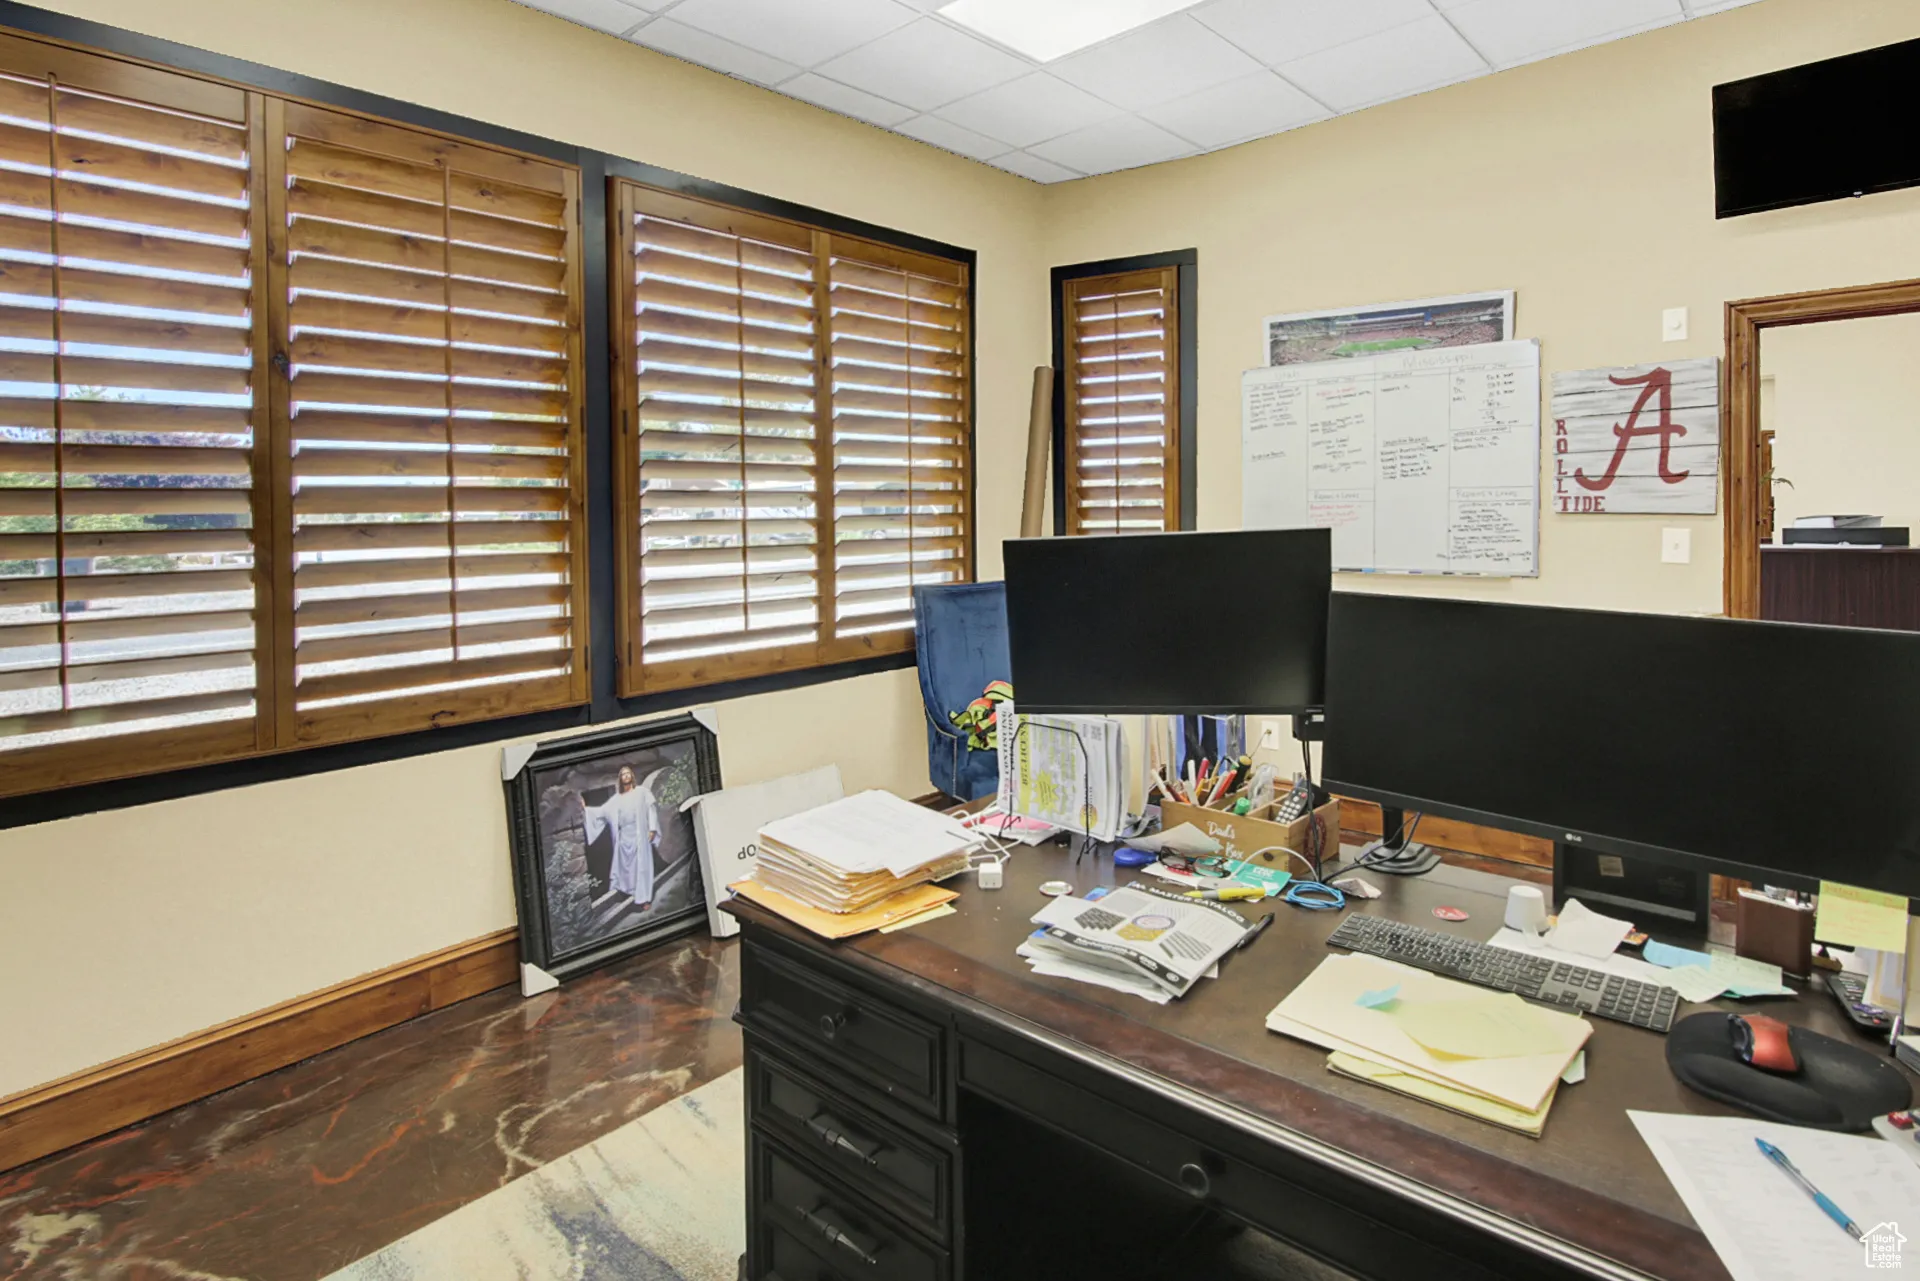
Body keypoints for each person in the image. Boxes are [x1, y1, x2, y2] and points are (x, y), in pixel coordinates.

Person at [578, 764, 664, 911]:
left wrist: (652, 829)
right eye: (623, 774)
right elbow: (602, 812)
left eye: (628, 773)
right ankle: (629, 892)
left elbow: (651, 809)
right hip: (625, 837)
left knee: (642, 868)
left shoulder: (642, 792)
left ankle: (644, 899)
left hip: (640, 835)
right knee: (626, 869)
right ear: (620, 779)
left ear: (632, 776)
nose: (626, 776)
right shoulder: (617, 799)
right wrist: (586, 809)